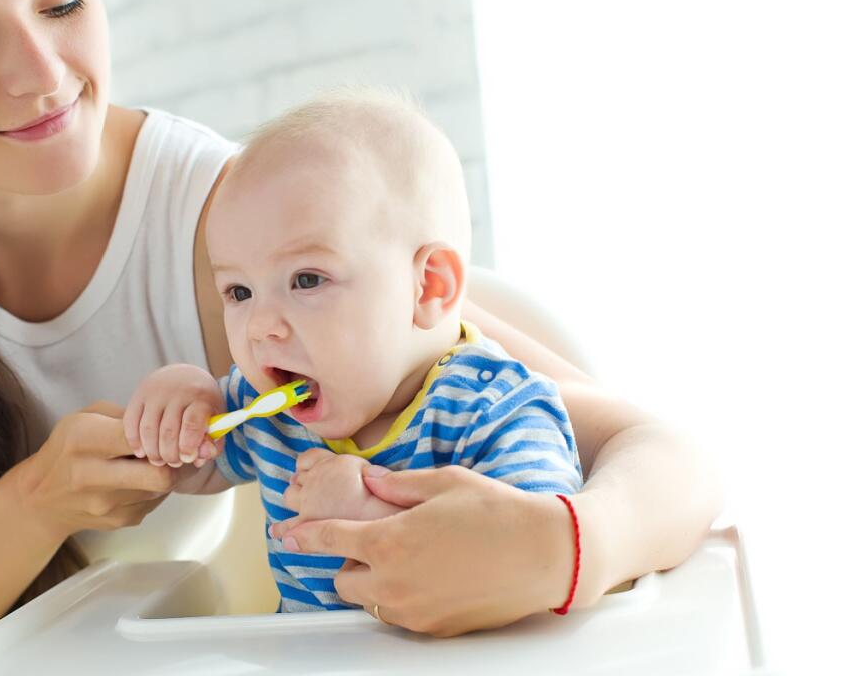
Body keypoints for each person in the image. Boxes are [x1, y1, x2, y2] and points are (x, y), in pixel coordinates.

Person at [0, 0, 721, 673]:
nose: (44, 74)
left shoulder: (235, 232)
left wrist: (559, 546)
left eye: (63, 0)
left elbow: (660, 454)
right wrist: (40, 498)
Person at [124, 88, 584, 613]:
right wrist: (179, 411)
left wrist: (371, 516)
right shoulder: (267, 406)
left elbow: (530, 562)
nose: (261, 327)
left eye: (306, 279)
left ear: (428, 288)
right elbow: (198, 465)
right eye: (239, 293)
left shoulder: (497, 410)